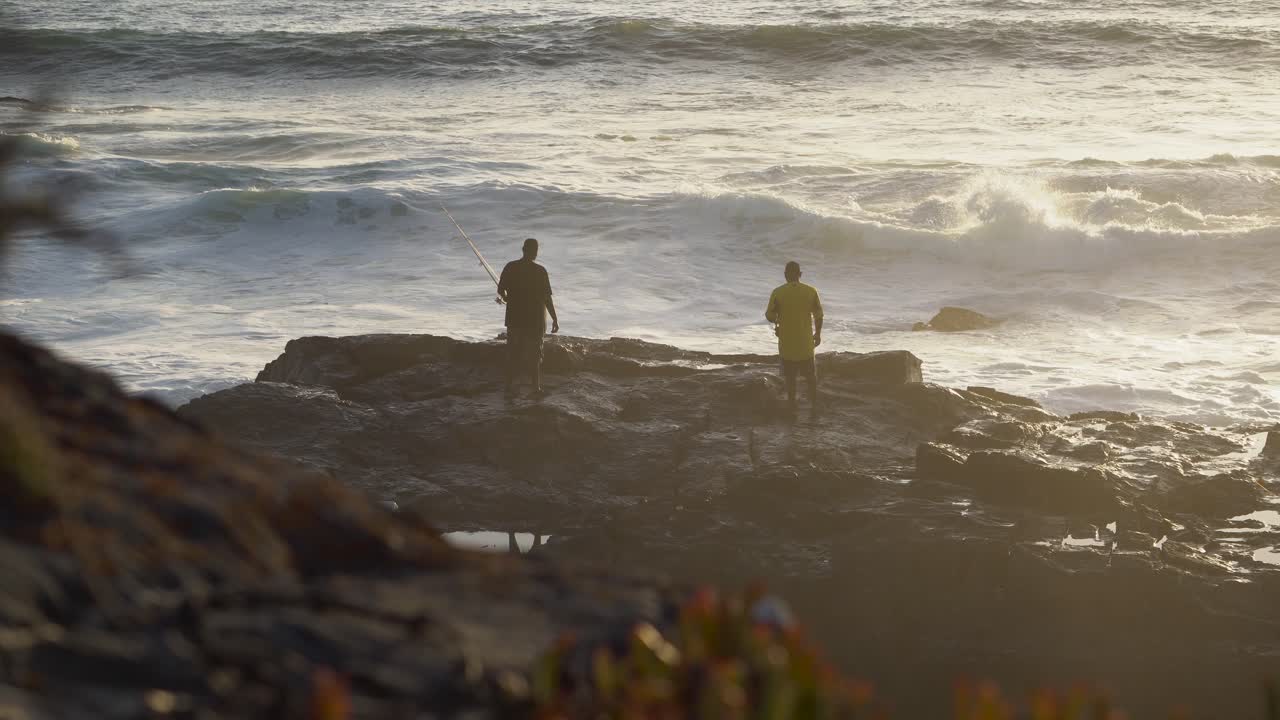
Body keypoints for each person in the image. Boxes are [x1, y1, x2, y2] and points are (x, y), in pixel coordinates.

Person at [497, 238, 559, 397]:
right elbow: (547, 298)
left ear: (523, 249)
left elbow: (500, 290)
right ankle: (535, 388)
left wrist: (507, 299)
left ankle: (509, 387)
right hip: (535, 320)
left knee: (513, 353)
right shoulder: (540, 271)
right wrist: (554, 318)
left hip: (515, 318)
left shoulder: (510, 267)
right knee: (535, 355)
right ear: (535, 252)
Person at [765, 261, 823, 415]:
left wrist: (777, 317)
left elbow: (770, 316)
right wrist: (817, 334)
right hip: (805, 343)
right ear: (800, 274)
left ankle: (792, 405)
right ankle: (814, 404)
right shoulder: (811, 291)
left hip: (787, 343)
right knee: (810, 376)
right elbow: (819, 315)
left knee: (790, 377)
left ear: (785, 275)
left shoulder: (778, 292)